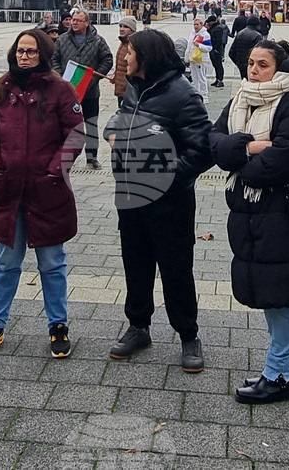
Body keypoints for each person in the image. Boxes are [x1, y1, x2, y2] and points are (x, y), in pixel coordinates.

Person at [209, 40, 289, 404]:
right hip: (250, 215)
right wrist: (252, 146)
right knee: (275, 295)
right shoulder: (241, 97)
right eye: (251, 64)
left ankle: (277, 375)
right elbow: (215, 142)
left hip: (284, 214)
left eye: (262, 65)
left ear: (280, 68)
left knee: (282, 297)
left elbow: (287, 157)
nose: (253, 71)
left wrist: (240, 158)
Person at [104, 29, 213, 373]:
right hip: (131, 198)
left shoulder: (184, 96)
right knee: (135, 265)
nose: (124, 57)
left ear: (147, 58)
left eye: (131, 52)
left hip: (170, 205)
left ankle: (188, 335)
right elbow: (120, 116)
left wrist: (165, 177)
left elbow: (202, 150)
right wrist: (112, 131)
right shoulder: (136, 88)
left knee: (175, 269)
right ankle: (139, 327)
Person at [0, 29, 85, 358]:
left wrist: (54, 171)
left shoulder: (61, 90)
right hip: (8, 191)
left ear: (43, 54)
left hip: (47, 191)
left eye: (31, 52)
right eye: (20, 51)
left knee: (52, 263)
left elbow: (76, 134)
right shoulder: (0, 89)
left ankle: (58, 325)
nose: (24, 56)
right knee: (6, 262)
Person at [51, 8, 114, 169]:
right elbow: (54, 59)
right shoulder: (62, 39)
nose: (74, 22)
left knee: (91, 124)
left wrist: (93, 79)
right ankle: (65, 157)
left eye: (78, 20)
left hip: (90, 92)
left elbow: (107, 60)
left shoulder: (98, 41)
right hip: (68, 91)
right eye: (73, 19)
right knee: (66, 124)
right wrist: (61, 76)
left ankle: (92, 157)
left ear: (87, 22)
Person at [186, 18, 211, 104]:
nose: (196, 26)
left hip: (201, 59)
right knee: (194, 78)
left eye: (197, 24)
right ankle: (196, 94)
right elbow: (189, 46)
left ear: (201, 25)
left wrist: (199, 45)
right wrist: (187, 57)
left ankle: (204, 96)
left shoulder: (205, 35)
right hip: (193, 59)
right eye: (194, 24)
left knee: (201, 77)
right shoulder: (192, 34)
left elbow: (209, 48)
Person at [112, 17, 136, 101]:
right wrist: (115, 75)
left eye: (125, 27)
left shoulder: (134, 45)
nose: (122, 29)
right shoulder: (123, 43)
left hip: (129, 90)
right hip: (121, 87)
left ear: (132, 30)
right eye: (120, 26)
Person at [206, 15, 228, 88]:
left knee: (218, 65)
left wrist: (216, 50)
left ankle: (220, 80)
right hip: (213, 49)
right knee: (215, 65)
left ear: (212, 22)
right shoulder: (213, 27)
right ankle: (217, 79)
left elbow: (219, 40)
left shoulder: (218, 28)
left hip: (216, 50)